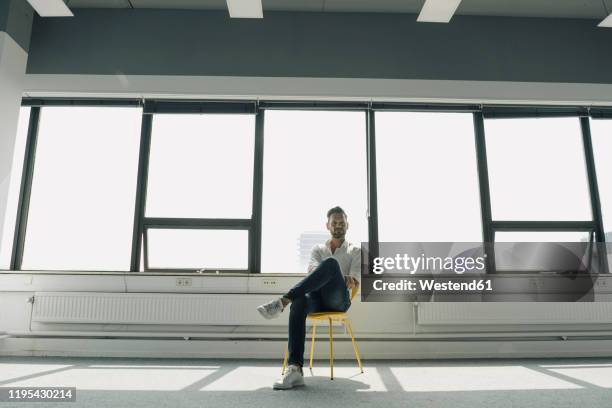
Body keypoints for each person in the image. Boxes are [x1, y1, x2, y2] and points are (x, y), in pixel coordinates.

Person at [257, 206, 361, 390]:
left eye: (342, 223)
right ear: (327, 226)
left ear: (347, 225)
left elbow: (354, 282)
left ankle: (282, 301)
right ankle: (295, 369)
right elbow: (312, 272)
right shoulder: (318, 249)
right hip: (315, 298)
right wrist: (329, 273)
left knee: (330, 264)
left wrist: (340, 276)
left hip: (338, 300)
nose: (338, 226)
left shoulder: (355, 250)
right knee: (299, 301)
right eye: (334, 223)